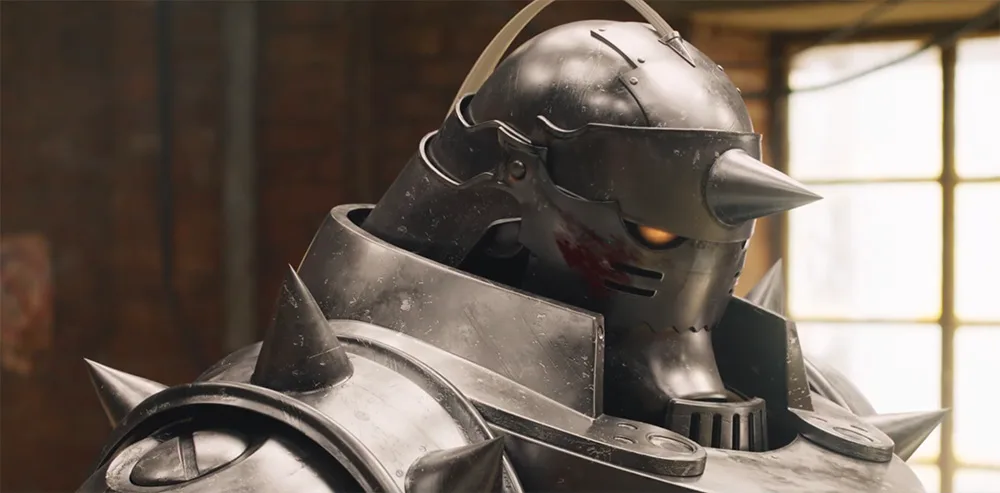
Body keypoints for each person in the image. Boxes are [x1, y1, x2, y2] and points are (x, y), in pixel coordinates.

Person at [77, 1, 944, 491]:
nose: (692, 272)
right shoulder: (286, 456)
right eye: (653, 232)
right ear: (514, 179)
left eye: (728, 234)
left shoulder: (821, 417)